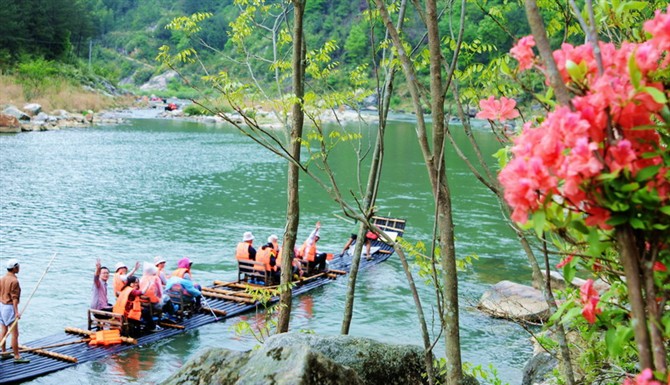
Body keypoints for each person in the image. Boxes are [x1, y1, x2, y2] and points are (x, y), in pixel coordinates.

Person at [0, 259, 29, 363]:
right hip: (9, 307)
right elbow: (14, 298)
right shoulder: (14, 281)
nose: (19, 268)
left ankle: (3, 352)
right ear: (14, 268)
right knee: (15, 333)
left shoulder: (2, 278)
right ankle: (17, 356)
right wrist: (16, 312)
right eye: (18, 267)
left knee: (3, 330)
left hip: (1, 306)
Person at [139, 263, 164, 331]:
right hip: (153, 304)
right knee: (165, 299)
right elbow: (160, 292)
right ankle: (164, 317)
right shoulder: (156, 278)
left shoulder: (142, 278)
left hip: (142, 303)